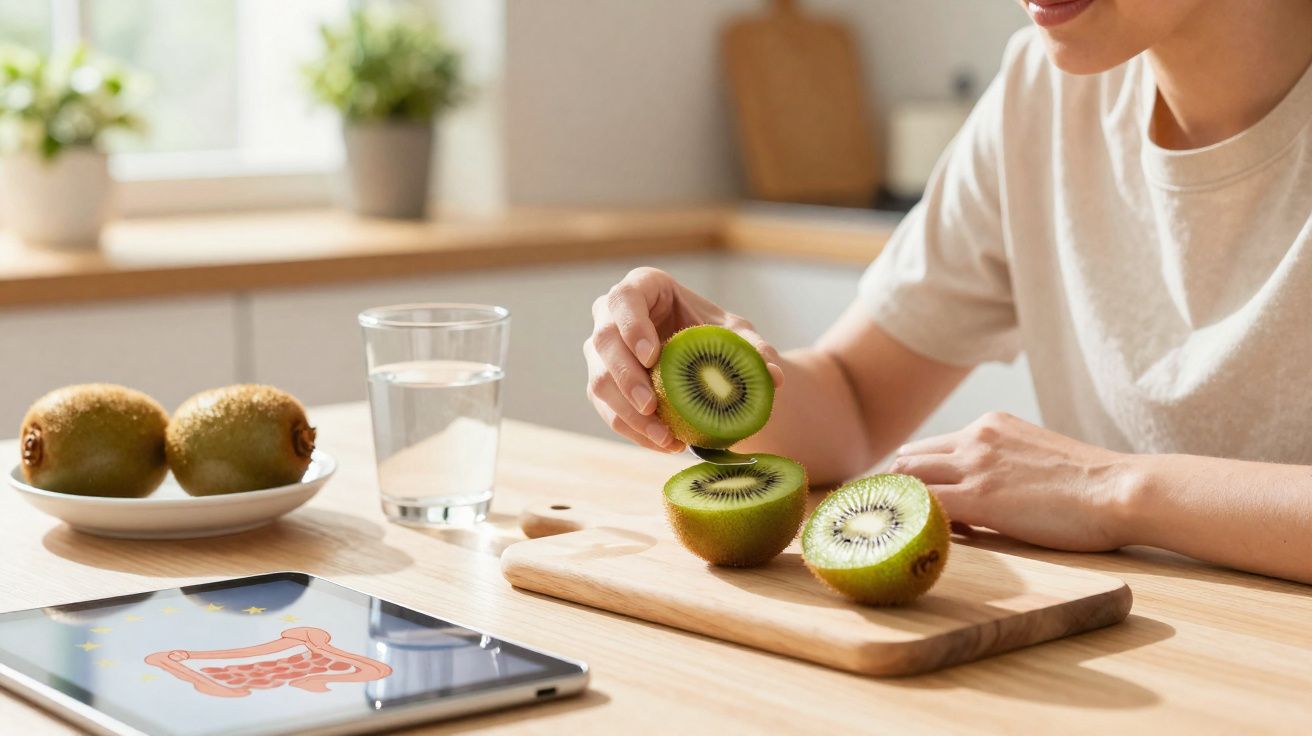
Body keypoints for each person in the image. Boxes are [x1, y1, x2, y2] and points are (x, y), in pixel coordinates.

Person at [583, 0, 1312, 584]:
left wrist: (1111, 490)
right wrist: (710, 368)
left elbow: (1107, 489)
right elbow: (855, 402)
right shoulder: (1042, 92)